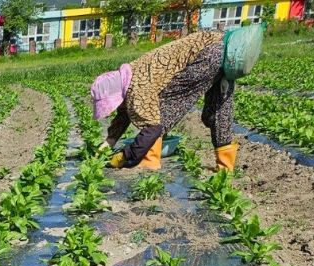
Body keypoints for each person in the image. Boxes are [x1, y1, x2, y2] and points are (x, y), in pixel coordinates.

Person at [91, 30, 240, 171]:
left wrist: (125, 156)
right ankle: (225, 168)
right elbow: (124, 114)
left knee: (163, 107)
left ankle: (149, 162)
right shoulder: (128, 77)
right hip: (228, 50)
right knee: (219, 109)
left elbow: (152, 127)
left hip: (206, 55)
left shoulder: (138, 85)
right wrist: (109, 142)